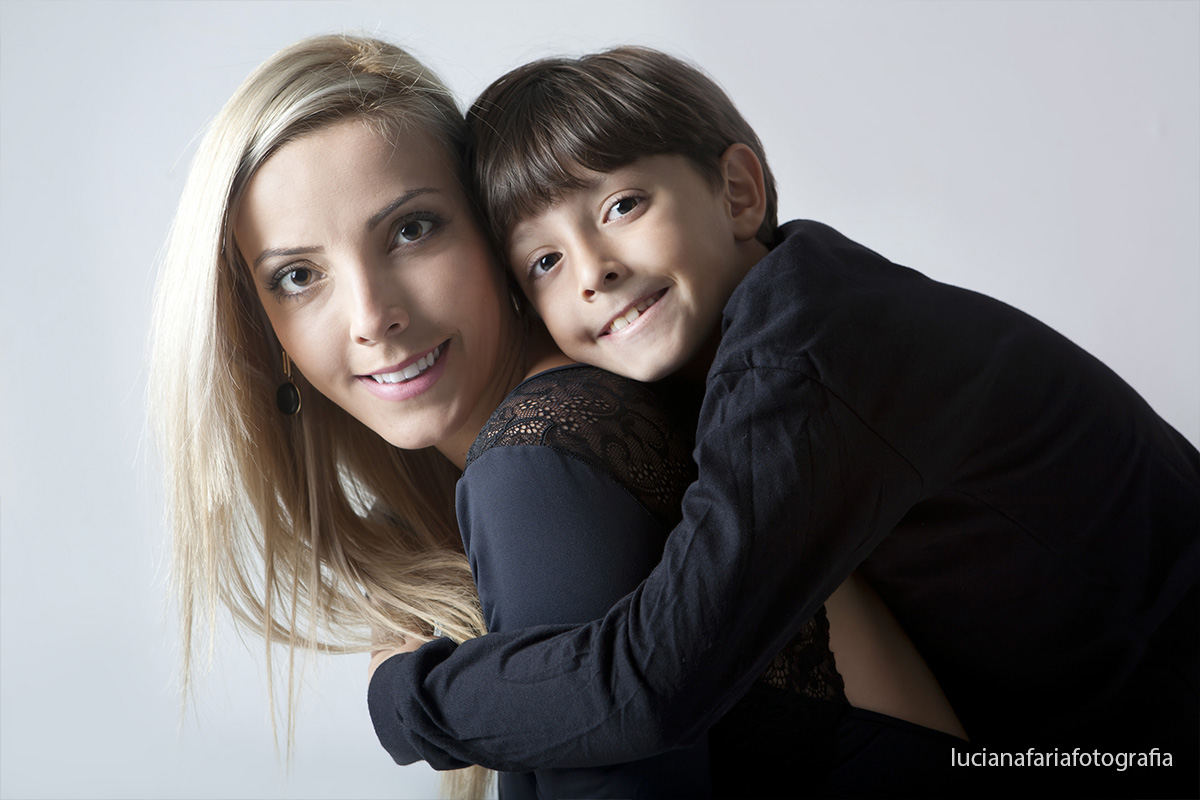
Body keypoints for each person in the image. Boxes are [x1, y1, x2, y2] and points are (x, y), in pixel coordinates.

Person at [368, 46, 1200, 797]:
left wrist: (407, 696)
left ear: (737, 191)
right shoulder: (776, 320)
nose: (595, 270)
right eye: (544, 260)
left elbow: (656, 684)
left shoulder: (804, 363)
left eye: (622, 205)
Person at [152, 33, 964, 799]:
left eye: (411, 229)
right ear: (264, 334)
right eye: (297, 276)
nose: (371, 315)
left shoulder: (540, 455)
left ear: (495, 232)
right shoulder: (586, 415)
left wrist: (407, 701)